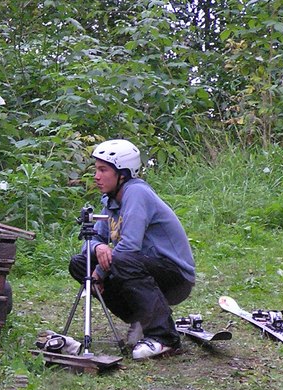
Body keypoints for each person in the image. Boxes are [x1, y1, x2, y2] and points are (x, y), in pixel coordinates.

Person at [69, 139, 195, 360]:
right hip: (143, 268)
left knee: (120, 260)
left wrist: (99, 272)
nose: (96, 176)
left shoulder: (136, 193)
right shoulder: (111, 201)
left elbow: (129, 247)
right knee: (80, 263)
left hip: (175, 276)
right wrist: (98, 246)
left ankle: (164, 338)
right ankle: (141, 319)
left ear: (123, 173)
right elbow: (92, 239)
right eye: (96, 170)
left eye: (103, 170)